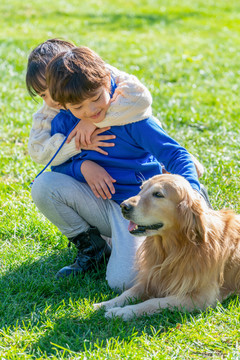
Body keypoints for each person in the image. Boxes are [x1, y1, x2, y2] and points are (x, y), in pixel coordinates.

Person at [30, 46, 206, 291]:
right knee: (43, 186)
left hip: (138, 208)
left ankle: (129, 238)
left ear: (106, 82)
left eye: (95, 99)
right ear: (63, 105)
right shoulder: (62, 122)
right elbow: (57, 165)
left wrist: (193, 191)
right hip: (102, 204)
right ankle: (95, 249)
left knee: (122, 282)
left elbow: (176, 154)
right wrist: (83, 167)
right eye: (78, 108)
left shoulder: (131, 118)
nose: (91, 111)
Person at [26, 38, 154, 167]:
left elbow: (140, 98)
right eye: (43, 95)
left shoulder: (97, 76)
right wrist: (78, 142)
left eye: (52, 87)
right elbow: (38, 152)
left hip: (140, 155)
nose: (53, 99)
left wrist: (93, 121)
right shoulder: (49, 111)